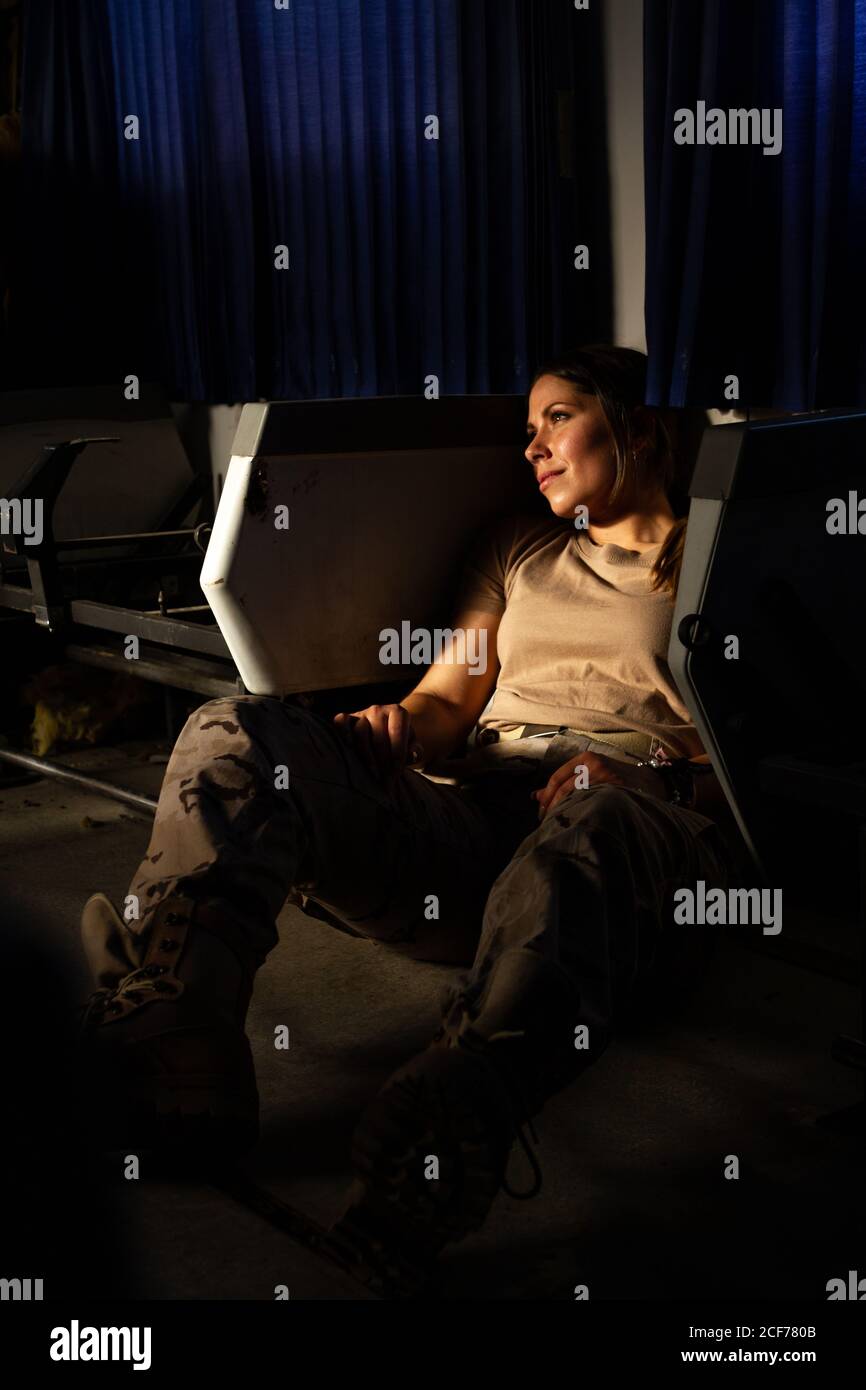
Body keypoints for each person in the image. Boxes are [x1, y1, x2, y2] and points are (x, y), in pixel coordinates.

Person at [76, 345, 741, 1294]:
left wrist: (643, 777)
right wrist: (394, 732)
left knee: (588, 829)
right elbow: (444, 703)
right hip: (479, 822)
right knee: (237, 731)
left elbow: (768, 773)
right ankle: (183, 1029)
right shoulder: (520, 550)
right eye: (527, 430)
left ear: (636, 427)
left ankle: (458, 1114)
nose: (532, 449)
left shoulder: (718, 564)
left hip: (636, 841)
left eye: (556, 419)